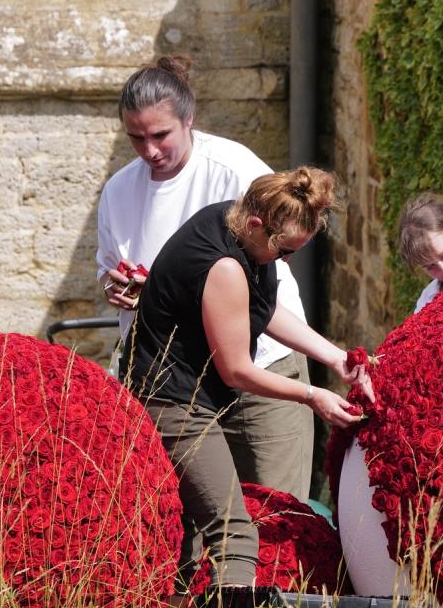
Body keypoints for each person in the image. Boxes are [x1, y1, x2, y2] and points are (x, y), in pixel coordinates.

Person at [126, 166, 372, 593]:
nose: (285, 260)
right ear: (257, 225)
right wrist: (312, 396)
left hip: (196, 397)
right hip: (171, 402)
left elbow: (262, 307)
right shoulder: (223, 266)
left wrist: (334, 357)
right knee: (236, 534)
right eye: (284, 252)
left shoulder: (237, 225)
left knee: (190, 534)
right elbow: (236, 369)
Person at [96, 55, 316, 499]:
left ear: (189, 120)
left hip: (260, 366)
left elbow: (265, 275)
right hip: (175, 385)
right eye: (135, 138)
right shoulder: (119, 189)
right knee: (187, 524)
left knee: (275, 508)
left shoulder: (236, 171)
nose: (150, 151)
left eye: (160, 135)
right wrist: (115, 286)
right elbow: (107, 269)